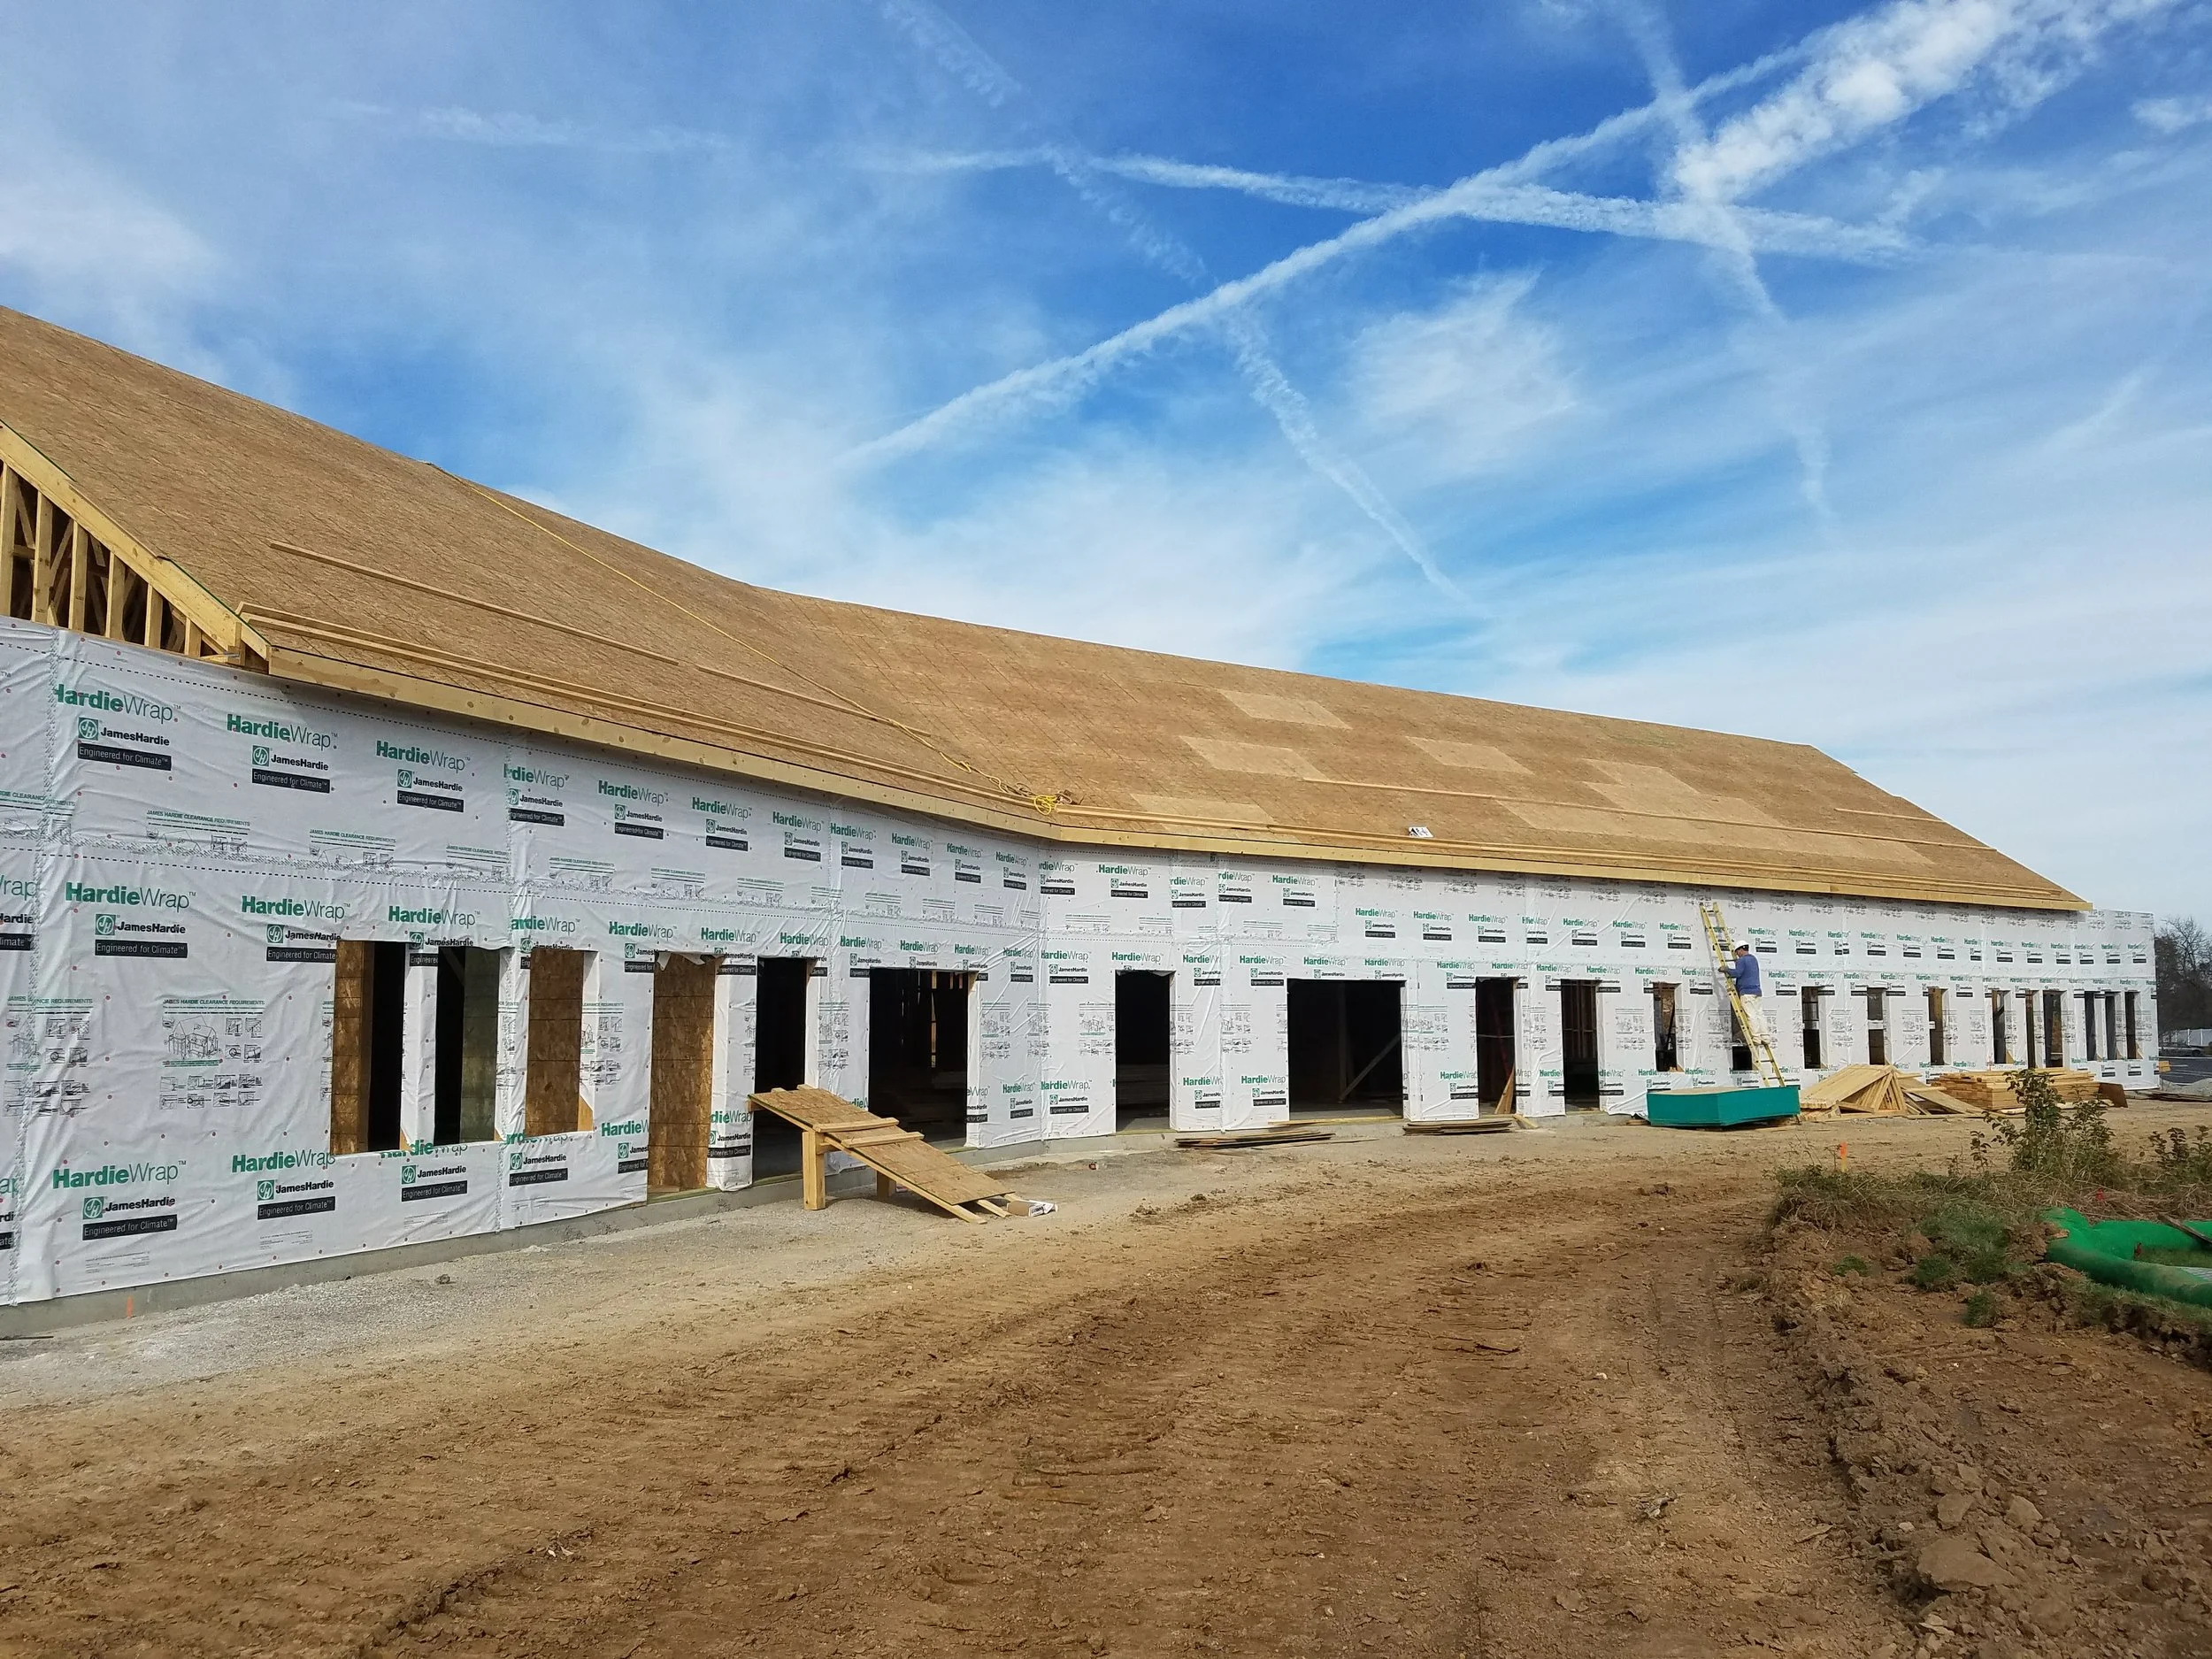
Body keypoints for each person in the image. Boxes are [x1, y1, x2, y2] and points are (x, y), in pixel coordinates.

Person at [1725, 941, 1768, 1046]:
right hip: (1757, 991)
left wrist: (1727, 970)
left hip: (1747, 992)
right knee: (1759, 1014)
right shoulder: (1753, 959)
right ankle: (1765, 1037)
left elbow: (1738, 973)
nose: (1737, 955)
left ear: (1740, 950)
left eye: (1737, 952)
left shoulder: (1741, 961)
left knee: (1751, 1015)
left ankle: (1756, 1038)